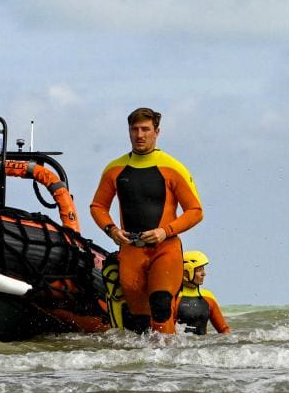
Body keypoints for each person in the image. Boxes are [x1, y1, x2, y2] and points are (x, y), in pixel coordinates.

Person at [90, 107, 203, 335]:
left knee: (161, 306)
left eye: (145, 129)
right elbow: (98, 207)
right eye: (134, 129)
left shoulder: (172, 167)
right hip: (131, 250)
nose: (139, 135)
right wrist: (111, 230)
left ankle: (167, 366)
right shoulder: (114, 169)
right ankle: (143, 369)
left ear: (156, 132)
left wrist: (165, 231)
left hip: (165, 249)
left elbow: (195, 211)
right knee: (138, 321)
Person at [174, 250, 230, 335]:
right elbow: (166, 333)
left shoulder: (208, 297)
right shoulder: (174, 297)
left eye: (203, 269)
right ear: (186, 272)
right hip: (180, 348)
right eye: (199, 270)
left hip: (203, 348)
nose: (204, 274)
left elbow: (224, 330)